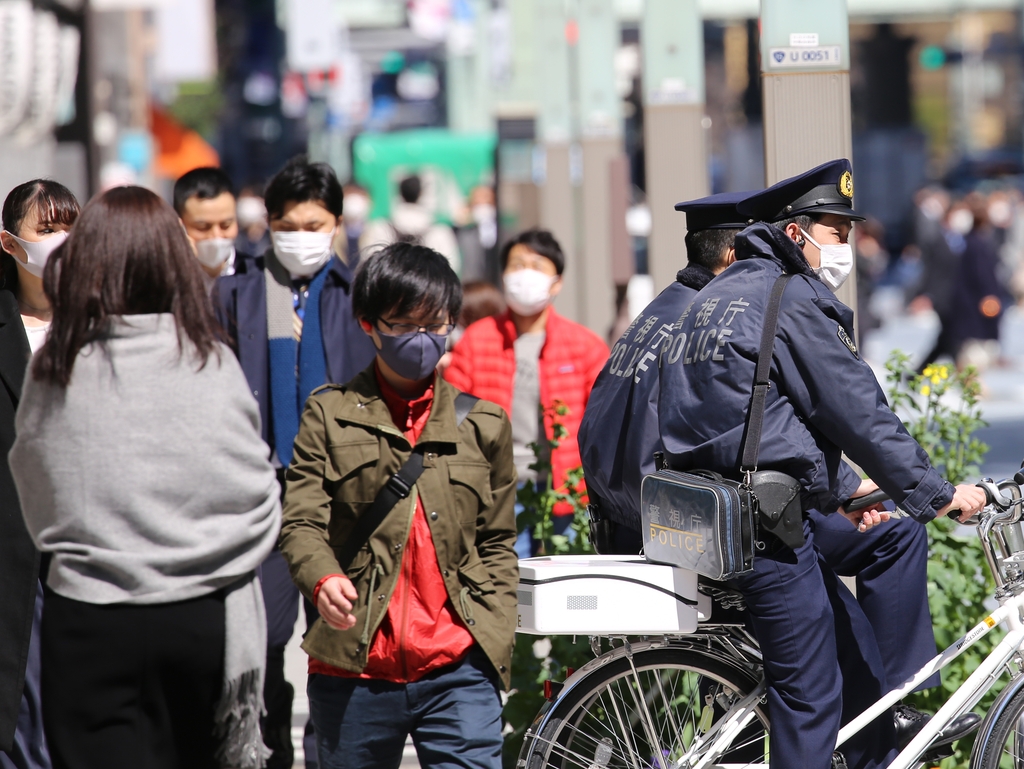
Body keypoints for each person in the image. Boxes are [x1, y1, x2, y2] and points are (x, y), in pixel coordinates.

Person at [657, 159, 986, 769]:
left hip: (714, 515)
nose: (846, 246)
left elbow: (754, 423)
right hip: (762, 526)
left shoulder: (721, 295)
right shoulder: (786, 298)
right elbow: (856, 407)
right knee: (810, 695)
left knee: (854, 657)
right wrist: (935, 492)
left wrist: (834, 489)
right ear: (794, 231)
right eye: (836, 231)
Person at [9, 185, 281, 769]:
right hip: (199, 613)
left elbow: (32, 488)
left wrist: (86, 550)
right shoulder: (211, 360)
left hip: (87, 613)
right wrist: (202, 555)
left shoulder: (58, 365)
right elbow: (259, 499)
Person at [279, 242, 517, 769]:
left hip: (457, 666)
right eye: (405, 324)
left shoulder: (483, 425)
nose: (422, 339)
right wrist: (321, 579)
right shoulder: (329, 414)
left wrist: (494, 629)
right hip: (353, 667)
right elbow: (300, 521)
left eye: (435, 325)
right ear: (368, 323)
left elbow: (498, 542)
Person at [212, 155, 377, 768]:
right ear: (269, 221)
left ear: (336, 222)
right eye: (290, 223)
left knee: (337, 639)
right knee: (264, 637)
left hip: (343, 499)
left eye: (316, 223)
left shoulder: (359, 293)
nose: (303, 236)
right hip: (261, 492)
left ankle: (329, 756)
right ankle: (269, 751)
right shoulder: (233, 293)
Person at [579, 191, 750, 554]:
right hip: (664, 525)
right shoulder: (707, 322)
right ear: (734, 257)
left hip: (621, 513)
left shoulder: (665, 305)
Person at [444, 229, 609, 556]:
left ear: (557, 282)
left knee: (565, 586)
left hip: (564, 489)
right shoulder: (477, 341)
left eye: (536, 265)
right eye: (517, 264)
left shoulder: (584, 346)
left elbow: (605, 422)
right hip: (498, 487)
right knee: (507, 579)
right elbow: (451, 412)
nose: (525, 274)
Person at [0, 179, 79, 769]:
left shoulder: (106, 326)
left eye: (71, 228)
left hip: (91, 556)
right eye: (47, 231)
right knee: (25, 730)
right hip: (14, 560)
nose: (63, 243)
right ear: (9, 243)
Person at [173, 166, 256, 288]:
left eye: (225, 226)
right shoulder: (165, 280)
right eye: (203, 227)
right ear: (179, 226)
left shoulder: (258, 278)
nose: (216, 236)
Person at [360, 174, 460, 272]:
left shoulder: (381, 227)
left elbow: (370, 264)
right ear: (421, 193)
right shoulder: (439, 230)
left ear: (400, 193)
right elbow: (451, 267)